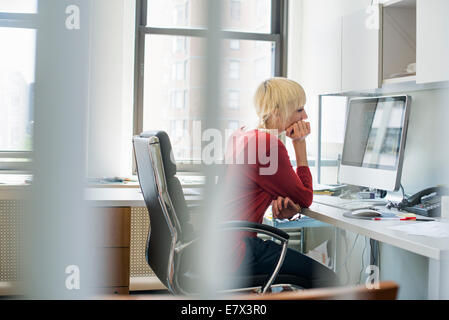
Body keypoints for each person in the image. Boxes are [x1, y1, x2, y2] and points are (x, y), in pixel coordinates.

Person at [223, 77, 339, 289]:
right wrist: (300, 144)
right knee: (328, 279)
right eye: (299, 110)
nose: (305, 116)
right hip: (239, 251)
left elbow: (256, 185)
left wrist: (281, 200)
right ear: (278, 111)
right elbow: (306, 197)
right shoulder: (268, 145)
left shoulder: (242, 136)